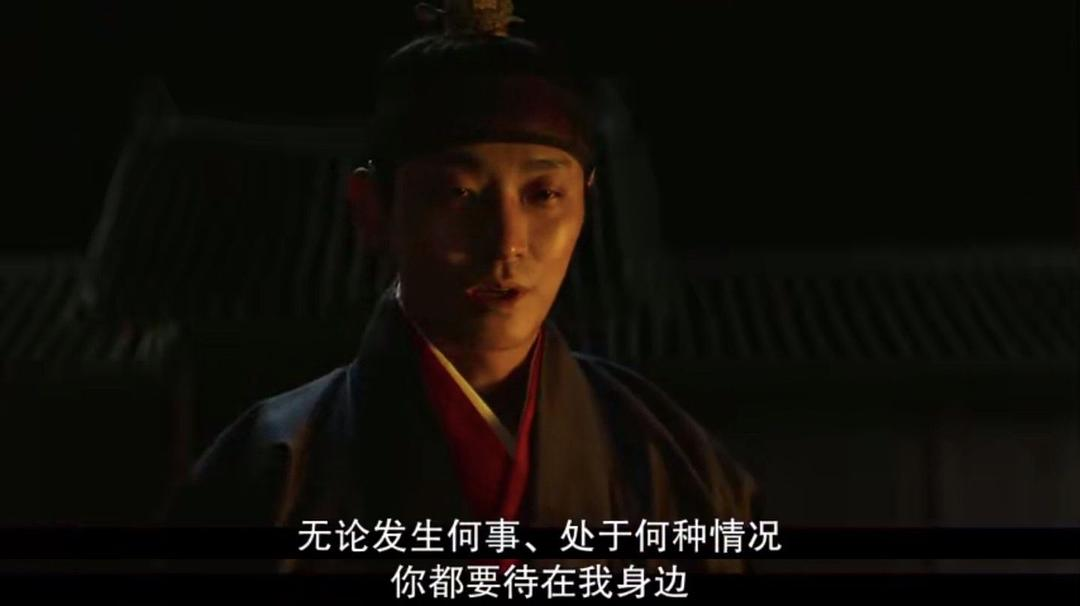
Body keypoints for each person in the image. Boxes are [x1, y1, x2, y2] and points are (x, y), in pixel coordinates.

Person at [166, 2, 758, 574]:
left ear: (585, 204)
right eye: (459, 194)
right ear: (372, 210)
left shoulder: (673, 458)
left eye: (544, 195)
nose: (507, 243)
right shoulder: (268, 469)